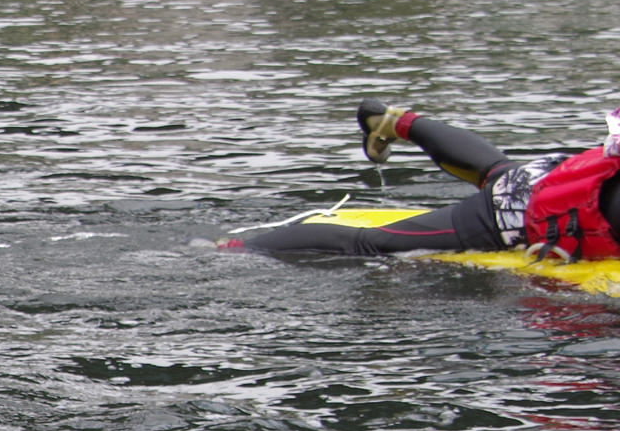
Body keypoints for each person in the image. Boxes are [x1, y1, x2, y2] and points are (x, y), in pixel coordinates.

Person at [231, 100, 620, 261]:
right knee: (369, 244)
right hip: (516, 218)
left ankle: (394, 122)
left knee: (502, 174)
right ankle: (231, 249)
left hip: (555, 175)